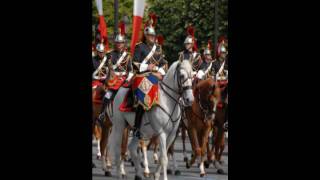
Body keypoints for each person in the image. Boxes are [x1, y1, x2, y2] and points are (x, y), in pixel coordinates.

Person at [132, 13, 167, 139]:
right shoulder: (139, 47)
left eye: (153, 35)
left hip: (156, 77)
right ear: (146, 36)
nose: (151, 37)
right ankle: (136, 127)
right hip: (142, 76)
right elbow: (134, 64)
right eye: (149, 35)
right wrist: (147, 67)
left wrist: (159, 73)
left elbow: (164, 64)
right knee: (144, 97)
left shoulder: (158, 48)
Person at [97, 22, 133, 122]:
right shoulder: (109, 54)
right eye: (117, 43)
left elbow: (130, 70)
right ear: (115, 43)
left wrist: (128, 79)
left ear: (124, 43)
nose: (119, 45)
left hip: (125, 80)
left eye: (121, 43)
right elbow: (105, 68)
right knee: (107, 95)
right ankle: (102, 114)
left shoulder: (127, 55)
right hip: (114, 80)